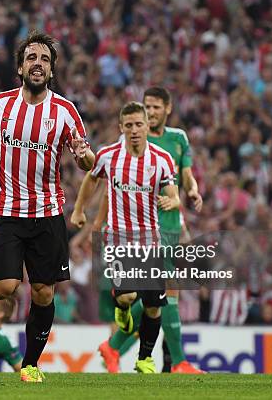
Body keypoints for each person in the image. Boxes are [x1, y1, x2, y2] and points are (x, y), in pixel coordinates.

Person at [0, 31, 94, 383]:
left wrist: (84, 156)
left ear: (52, 70)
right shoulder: (0, 105)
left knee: (44, 292)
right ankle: (2, 274)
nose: (38, 64)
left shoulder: (65, 111)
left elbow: (86, 159)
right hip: (7, 210)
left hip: (46, 213)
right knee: (3, 288)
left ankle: (30, 364)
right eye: (32, 58)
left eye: (45, 59)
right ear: (20, 66)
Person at [93, 87, 205, 374]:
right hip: (141, 230)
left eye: (156, 107)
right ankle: (176, 361)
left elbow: (187, 178)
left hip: (172, 224)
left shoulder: (178, 138)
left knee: (166, 294)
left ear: (168, 108)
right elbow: (111, 188)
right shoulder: (128, 140)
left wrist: (192, 193)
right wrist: (99, 223)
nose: (151, 112)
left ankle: (115, 347)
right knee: (163, 293)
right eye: (147, 107)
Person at [71, 101, 179, 374]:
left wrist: (173, 201)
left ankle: (144, 359)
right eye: (128, 125)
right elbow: (92, 179)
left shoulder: (161, 159)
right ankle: (121, 309)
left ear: (147, 126)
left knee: (154, 307)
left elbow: (172, 190)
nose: (133, 130)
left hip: (150, 241)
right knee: (128, 297)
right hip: (118, 239)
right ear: (121, 128)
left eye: (138, 124)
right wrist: (79, 209)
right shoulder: (108, 155)